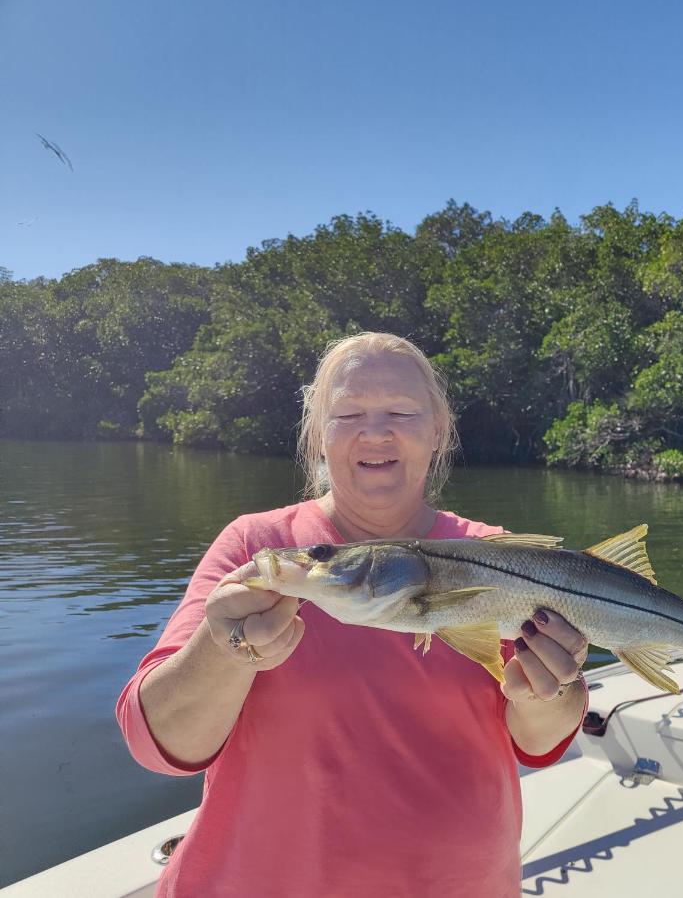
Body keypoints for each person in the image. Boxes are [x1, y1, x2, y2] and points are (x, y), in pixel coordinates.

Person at [116, 332, 589, 898]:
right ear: (318, 435)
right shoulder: (257, 546)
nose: (376, 431)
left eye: (401, 412)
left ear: (437, 430)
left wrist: (550, 689)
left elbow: (538, 743)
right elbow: (160, 746)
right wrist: (224, 651)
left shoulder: (502, 559)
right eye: (348, 413)